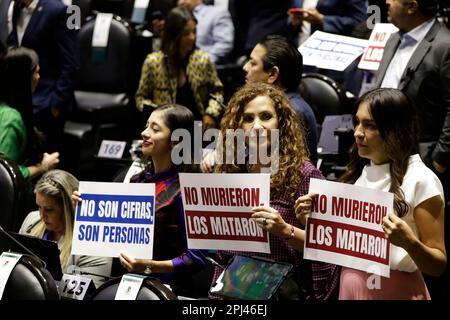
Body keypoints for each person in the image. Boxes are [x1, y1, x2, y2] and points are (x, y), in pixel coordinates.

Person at [298, 88, 446, 299]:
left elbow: (438, 264)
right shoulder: (362, 172)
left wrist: (408, 242)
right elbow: (343, 246)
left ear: (395, 129)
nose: (358, 132)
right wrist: (313, 224)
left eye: (370, 125)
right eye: (357, 122)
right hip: (350, 290)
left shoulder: (422, 179)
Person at [208, 83, 340, 300]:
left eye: (266, 116)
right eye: (248, 119)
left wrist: (285, 230)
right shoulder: (231, 171)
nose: (257, 126)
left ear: (282, 123)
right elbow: (223, 254)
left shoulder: (305, 175)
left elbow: (328, 248)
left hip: (283, 292)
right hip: (233, 293)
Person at [76, 104, 208, 297]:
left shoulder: (189, 188)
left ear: (177, 141)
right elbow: (115, 232)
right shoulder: (137, 179)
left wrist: (148, 266)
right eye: (146, 126)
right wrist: (85, 208)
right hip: (130, 284)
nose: (144, 133)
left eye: (155, 129)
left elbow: (195, 258)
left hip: (168, 291)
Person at [375, 0, 450, 298]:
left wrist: (438, 162)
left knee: (427, 251)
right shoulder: (393, 38)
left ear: (412, 6)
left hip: (423, 162)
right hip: (385, 161)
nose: (386, 3)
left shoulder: (444, 44)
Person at [3, 0, 79, 156]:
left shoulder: (63, 10)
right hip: (23, 97)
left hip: (47, 101)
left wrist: (57, 103)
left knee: (48, 159)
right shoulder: (15, 8)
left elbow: (71, 62)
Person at [19, 169, 112, 288]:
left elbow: (86, 296)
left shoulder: (93, 246)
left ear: (68, 209)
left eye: (49, 209)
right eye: (39, 207)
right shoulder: (31, 221)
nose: (42, 216)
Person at [135, 6, 224, 130]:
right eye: (186, 33)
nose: (193, 37)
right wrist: (159, 114)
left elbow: (217, 92)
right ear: (174, 36)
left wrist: (211, 114)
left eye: (194, 31)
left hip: (199, 128)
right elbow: (141, 98)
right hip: (166, 130)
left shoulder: (203, 60)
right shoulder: (153, 62)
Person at [243, 35, 318, 164]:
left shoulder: (294, 112)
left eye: (253, 63)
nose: (245, 67)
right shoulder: (275, 104)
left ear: (272, 74)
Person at [0, 47, 59, 180]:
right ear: (24, 78)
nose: (39, 77)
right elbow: (5, 175)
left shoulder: (11, 109)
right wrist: (42, 167)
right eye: (36, 72)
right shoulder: (10, 119)